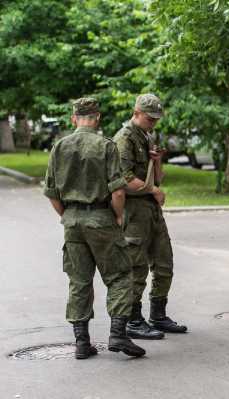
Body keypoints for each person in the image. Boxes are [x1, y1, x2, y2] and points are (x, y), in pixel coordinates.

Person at [43, 98, 146, 359]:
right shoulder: (106, 146)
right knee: (121, 275)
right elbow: (118, 191)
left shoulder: (59, 147)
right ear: (97, 118)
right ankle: (118, 334)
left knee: (79, 281)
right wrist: (118, 217)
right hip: (101, 218)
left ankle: (81, 343)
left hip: (73, 222)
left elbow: (52, 193)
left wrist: (68, 215)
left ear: (73, 118)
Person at [113, 93, 187, 340]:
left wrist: (157, 162)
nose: (153, 123)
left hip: (151, 210)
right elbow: (123, 179)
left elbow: (157, 178)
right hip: (134, 211)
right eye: (149, 118)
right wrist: (153, 190)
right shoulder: (124, 138)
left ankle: (158, 315)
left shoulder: (147, 136)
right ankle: (133, 320)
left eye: (156, 118)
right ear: (136, 113)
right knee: (137, 268)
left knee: (164, 262)